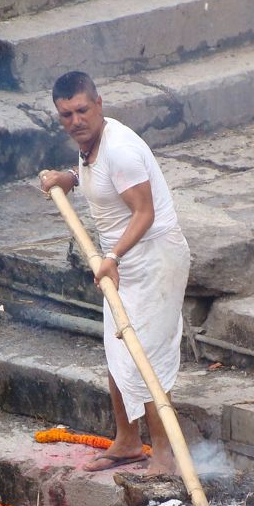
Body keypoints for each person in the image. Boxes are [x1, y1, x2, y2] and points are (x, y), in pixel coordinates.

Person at [39, 71, 191, 477]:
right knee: (118, 349)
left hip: (153, 259)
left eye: (82, 110)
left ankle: (164, 453)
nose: (75, 120)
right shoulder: (90, 145)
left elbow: (145, 212)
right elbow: (96, 177)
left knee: (148, 359)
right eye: (66, 114)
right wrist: (68, 179)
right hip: (123, 263)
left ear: (99, 104)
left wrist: (114, 257)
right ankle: (127, 441)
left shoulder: (120, 149)